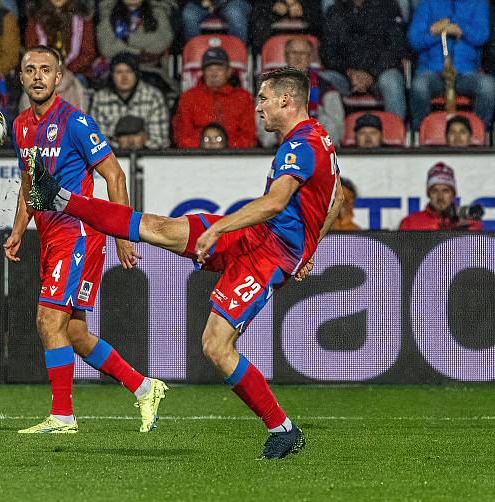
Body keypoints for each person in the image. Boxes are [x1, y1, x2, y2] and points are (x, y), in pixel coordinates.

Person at [27, 66, 344, 459]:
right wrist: (310, 247)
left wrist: (224, 231)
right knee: (159, 227)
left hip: (268, 255)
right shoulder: (320, 139)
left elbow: (275, 203)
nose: (257, 107)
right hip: (256, 237)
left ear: (286, 100)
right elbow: (338, 199)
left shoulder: (301, 146)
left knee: (215, 345)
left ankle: (283, 429)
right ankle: (60, 198)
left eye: (263, 98)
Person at [5, 45, 168, 434]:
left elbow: (115, 176)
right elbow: (30, 182)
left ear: (59, 77)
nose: (39, 76)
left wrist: (123, 234)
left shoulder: (77, 123)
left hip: (78, 233)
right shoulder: (21, 126)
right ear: (22, 77)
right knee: (74, 332)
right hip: (49, 234)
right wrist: (17, 229)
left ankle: (62, 416)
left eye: (46, 69)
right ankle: (145, 387)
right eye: (31, 70)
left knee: (48, 321)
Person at [408, 0, 495, 129]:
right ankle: (421, 135)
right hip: (433, 72)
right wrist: (437, 33)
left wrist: (459, 28)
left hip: (466, 74)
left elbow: (481, 36)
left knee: (487, 86)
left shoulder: (478, 3)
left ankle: (479, 136)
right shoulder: (427, 4)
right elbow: (414, 40)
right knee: (419, 86)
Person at [321, 0, 408, 119]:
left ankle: (395, 133)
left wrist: (371, 74)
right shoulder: (335, 11)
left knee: (391, 81)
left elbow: (396, 48)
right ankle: (326, 134)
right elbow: (328, 52)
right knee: (322, 80)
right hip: (346, 75)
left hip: (379, 74)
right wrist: (349, 72)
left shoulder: (388, 7)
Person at [258, 36, 344, 146]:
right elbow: (264, 127)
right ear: (285, 55)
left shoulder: (326, 88)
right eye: (293, 53)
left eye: (303, 53)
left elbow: (336, 129)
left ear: (311, 57)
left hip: (316, 149)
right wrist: (277, 136)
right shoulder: (269, 87)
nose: (298, 57)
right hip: (279, 149)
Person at [173, 47, 256, 148]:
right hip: (197, 156)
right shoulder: (189, 97)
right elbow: (182, 137)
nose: (214, 74)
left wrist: (224, 144)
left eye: (219, 69)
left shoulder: (243, 97)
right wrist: (206, 144)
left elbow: (249, 137)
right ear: (203, 72)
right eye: (209, 69)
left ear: (229, 71)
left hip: (233, 156)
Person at [90, 52, 169, 149]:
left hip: (149, 158)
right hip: (111, 159)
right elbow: (96, 142)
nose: (124, 77)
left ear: (136, 74)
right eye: (119, 72)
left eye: (129, 71)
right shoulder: (99, 99)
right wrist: (120, 144)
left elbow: (161, 140)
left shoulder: (153, 96)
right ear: (111, 75)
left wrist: (143, 143)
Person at [96, 0, 174, 92]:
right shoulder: (108, 10)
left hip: (150, 70)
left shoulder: (157, 10)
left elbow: (161, 44)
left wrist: (127, 39)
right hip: (117, 71)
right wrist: (138, 50)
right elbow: (106, 49)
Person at [399, 162, 483, 231]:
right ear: (428, 194)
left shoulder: (470, 222)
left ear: (453, 194)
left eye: (445, 191)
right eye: (435, 191)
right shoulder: (409, 223)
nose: (440, 197)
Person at [24, 0, 95, 76]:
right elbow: (32, 50)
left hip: (75, 73)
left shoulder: (81, 17)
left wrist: (67, 70)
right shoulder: (36, 17)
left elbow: (87, 53)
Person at [249, 0, 322, 52]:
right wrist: (273, 9)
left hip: (307, 56)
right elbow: (257, 39)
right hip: (274, 56)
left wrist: (303, 9)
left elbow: (319, 25)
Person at [181, 0, 252, 43]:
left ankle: (237, 57)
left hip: (231, 3)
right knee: (189, 16)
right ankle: (196, 56)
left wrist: (217, 3)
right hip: (200, 4)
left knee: (235, 15)